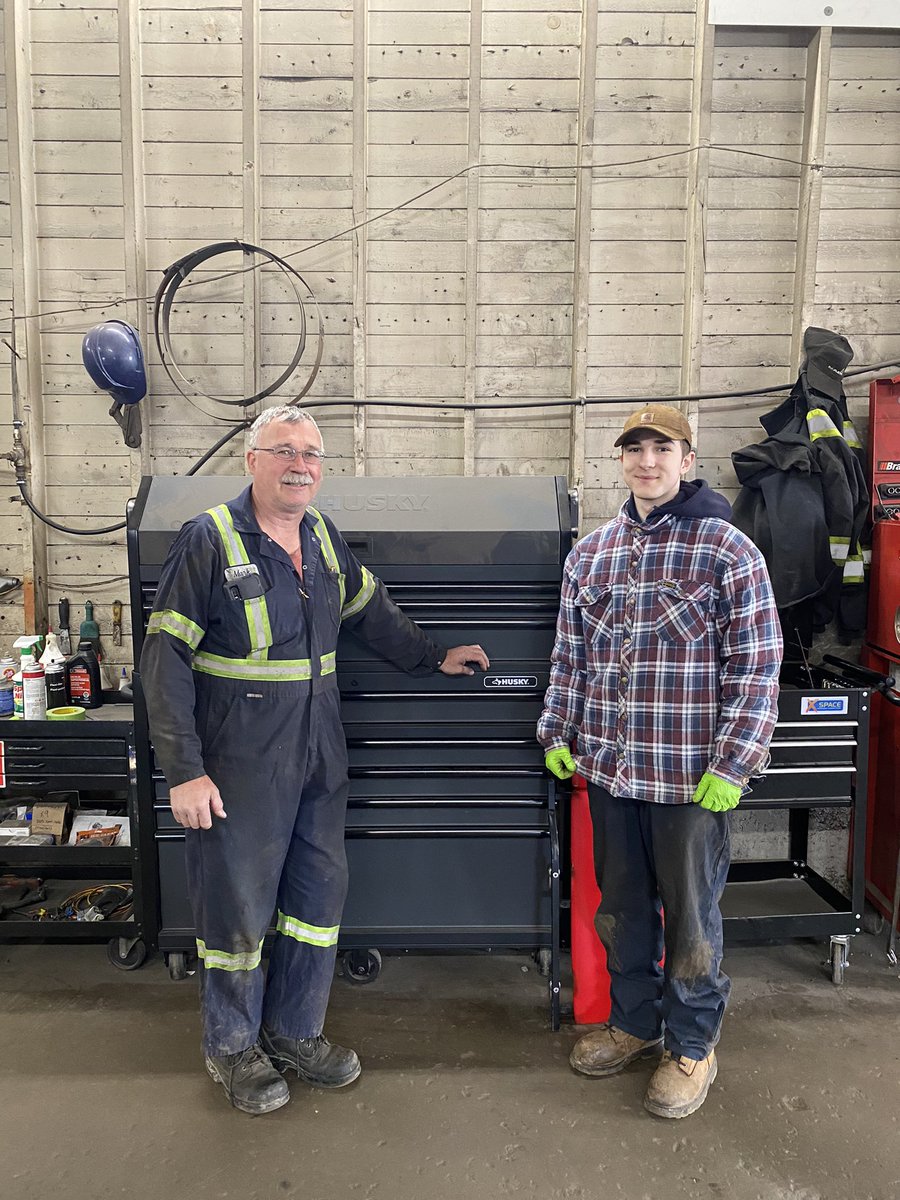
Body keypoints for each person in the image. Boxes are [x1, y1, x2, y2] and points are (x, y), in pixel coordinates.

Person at [141, 404, 489, 1115]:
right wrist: (184, 769)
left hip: (318, 748)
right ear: (253, 460)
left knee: (316, 898)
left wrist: (432, 657)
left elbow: (370, 610)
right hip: (239, 756)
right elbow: (164, 659)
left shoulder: (323, 537)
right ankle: (232, 1045)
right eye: (284, 450)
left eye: (312, 453)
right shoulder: (207, 541)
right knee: (237, 905)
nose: (300, 464)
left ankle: (296, 1031)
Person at [538, 403, 781, 1119]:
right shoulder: (593, 554)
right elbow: (570, 656)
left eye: (662, 448)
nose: (647, 460)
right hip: (612, 774)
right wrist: (557, 731)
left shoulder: (728, 550)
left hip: (689, 783)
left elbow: (756, 666)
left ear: (687, 459)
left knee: (692, 923)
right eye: (634, 449)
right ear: (621, 461)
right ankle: (636, 1024)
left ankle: (693, 1044)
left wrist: (734, 763)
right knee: (622, 913)